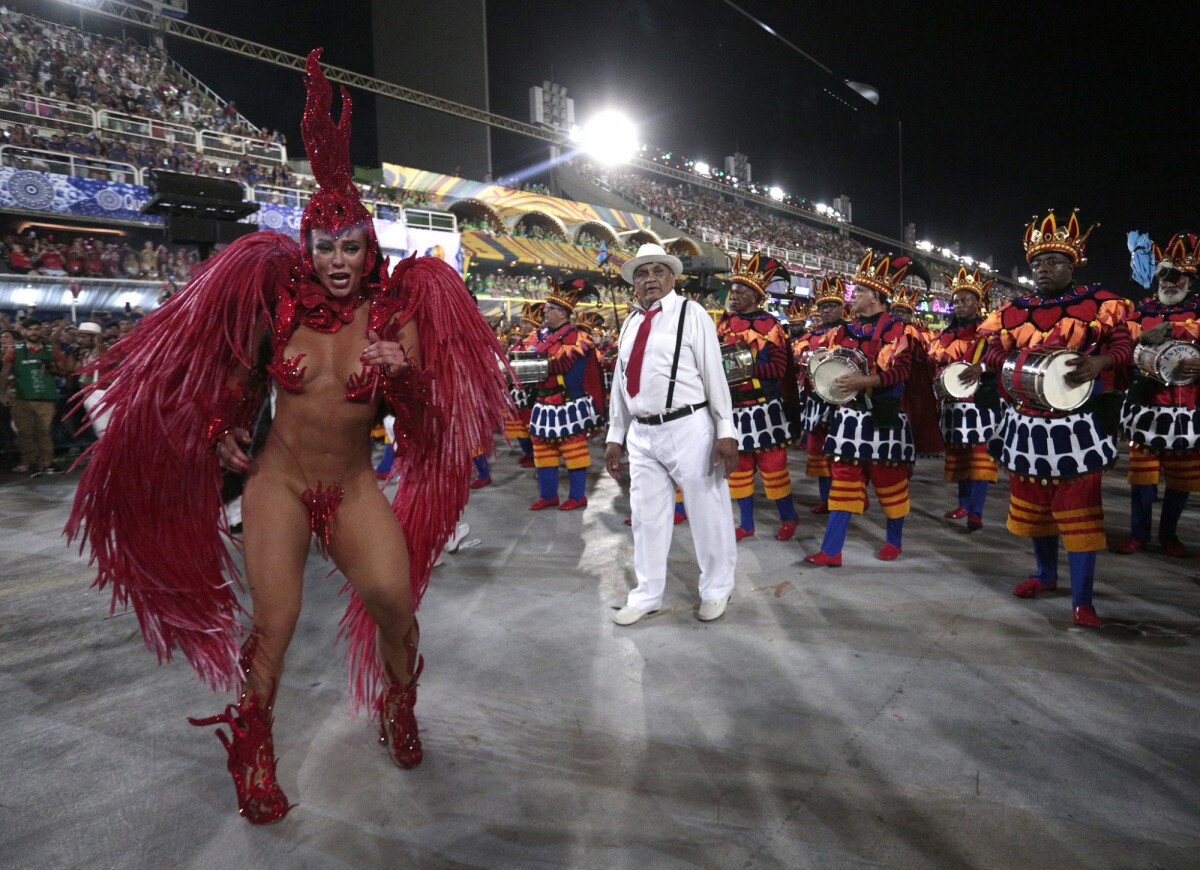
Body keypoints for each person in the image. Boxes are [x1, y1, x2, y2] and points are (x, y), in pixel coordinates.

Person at [66, 50, 508, 824]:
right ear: (306, 246)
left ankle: (399, 706)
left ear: (371, 250)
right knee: (275, 622)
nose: (338, 261)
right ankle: (254, 747)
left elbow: (426, 420)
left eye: (352, 247)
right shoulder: (276, 306)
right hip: (280, 485)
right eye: (326, 246)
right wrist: (221, 435)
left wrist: (402, 371)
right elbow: (235, 391)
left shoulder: (399, 312)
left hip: (355, 484)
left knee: (395, 606)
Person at [977, 210, 1132, 628]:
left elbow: (1123, 350)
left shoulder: (1102, 305)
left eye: (1053, 262)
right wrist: (1012, 360)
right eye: (1037, 264)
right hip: (1024, 423)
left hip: (1077, 425)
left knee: (1079, 512)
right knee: (1037, 510)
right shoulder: (1012, 310)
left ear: (1073, 264)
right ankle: (1045, 575)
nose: (1043, 270)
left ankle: (1083, 601)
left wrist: (1099, 362)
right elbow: (990, 354)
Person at [604, 243, 738, 625]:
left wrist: (725, 430)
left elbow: (715, 374)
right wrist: (617, 434)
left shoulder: (691, 314)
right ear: (634, 283)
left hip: (689, 427)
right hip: (642, 435)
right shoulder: (630, 323)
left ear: (672, 277)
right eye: (642, 273)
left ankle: (716, 588)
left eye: (658, 271)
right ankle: (647, 594)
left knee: (707, 512)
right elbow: (620, 382)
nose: (650, 279)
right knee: (646, 517)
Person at [804, 252, 919, 567]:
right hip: (851, 417)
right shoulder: (844, 329)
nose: (852, 297)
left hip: (885, 417)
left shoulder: (898, 329)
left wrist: (865, 380)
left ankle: (894, 541)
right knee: (843, 483)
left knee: (889, 484)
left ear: (876, 297)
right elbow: (828, 363)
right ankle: (831, 550)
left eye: (859, 292)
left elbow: (900, 373)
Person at [1116, 232, 1200, 556]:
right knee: (1142, 478)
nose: (1168, 282)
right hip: (1146, 408)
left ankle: (1169, 535)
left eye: (1176, 276)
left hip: (1187, 409)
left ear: (1189, 280)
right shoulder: (1140, 313)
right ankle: (1138, 534)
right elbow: (1123, 351)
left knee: (1181, 480)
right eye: (1164, 274)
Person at [716, 253, 799, 541]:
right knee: (738, 469)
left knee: (774, 469)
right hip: (734, 409)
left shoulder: (772, 326)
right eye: (733, 289)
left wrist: (743, 368)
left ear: (755, 295)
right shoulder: (723, 325)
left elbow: (778, 368)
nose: (734, 295)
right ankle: (746, 523)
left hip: (765, 410)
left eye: (740, 291)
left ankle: (789, 517)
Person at [926, 268, 1000, 530]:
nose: (959, 305)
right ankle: (964, 503)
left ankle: (976, 511)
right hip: (954, 404)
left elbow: (1002, 360)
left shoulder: (991, 333)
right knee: (959, 456)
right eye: (956, 300)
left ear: (977, 303)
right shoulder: (943, 335)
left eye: (965, 300)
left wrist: (982, 368)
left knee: (979, 457)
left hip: (981, 402)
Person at [525, 278, 605, 511]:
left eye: (550, 309)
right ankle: (548, 494)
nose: (545, 311)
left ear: (562, 313)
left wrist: (537, 364)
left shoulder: (578, 337)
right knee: (542, 451)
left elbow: (563, 364)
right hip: (542, 401)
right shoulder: (539, 335)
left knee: (573, 451)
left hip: (566, 403)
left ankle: (577, 496)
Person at [792, 276, 847, 513]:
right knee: (819, 451)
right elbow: (796, 360)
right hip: (816, 401)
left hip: (842, 401)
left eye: (831, 306)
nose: (826, 311)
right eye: (823, 307)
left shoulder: (850, 332)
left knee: (842, 453)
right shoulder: (809, 337)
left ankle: (845, 498)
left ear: (842, 308)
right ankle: (826, 499)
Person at [1, 318, 69, 474]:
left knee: (44, 432)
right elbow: (5, 372)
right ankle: (31, 463)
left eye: (37, 329)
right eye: (30, 329)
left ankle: (47, 463)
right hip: (21, 398)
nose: (34, 332)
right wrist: (2, 392)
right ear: (24, 332)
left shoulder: (51, 348)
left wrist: (53, 368)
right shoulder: (14, 349)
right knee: (25, 433)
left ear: (41, 331)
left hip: (45, 398)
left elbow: (65, 370)